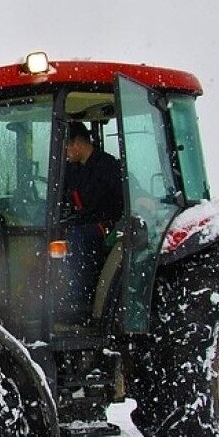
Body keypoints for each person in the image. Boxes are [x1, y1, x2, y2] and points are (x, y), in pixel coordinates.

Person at [60, 121, 122, 323]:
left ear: (76, 144)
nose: (66, 153)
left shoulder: (107, 166)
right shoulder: (75, 170)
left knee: (77, 238)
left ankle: (80, 302)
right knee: (59, 232)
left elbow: (128, 194)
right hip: (84, 222)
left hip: (107, 226)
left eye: (67, 147)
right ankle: (62, 295)